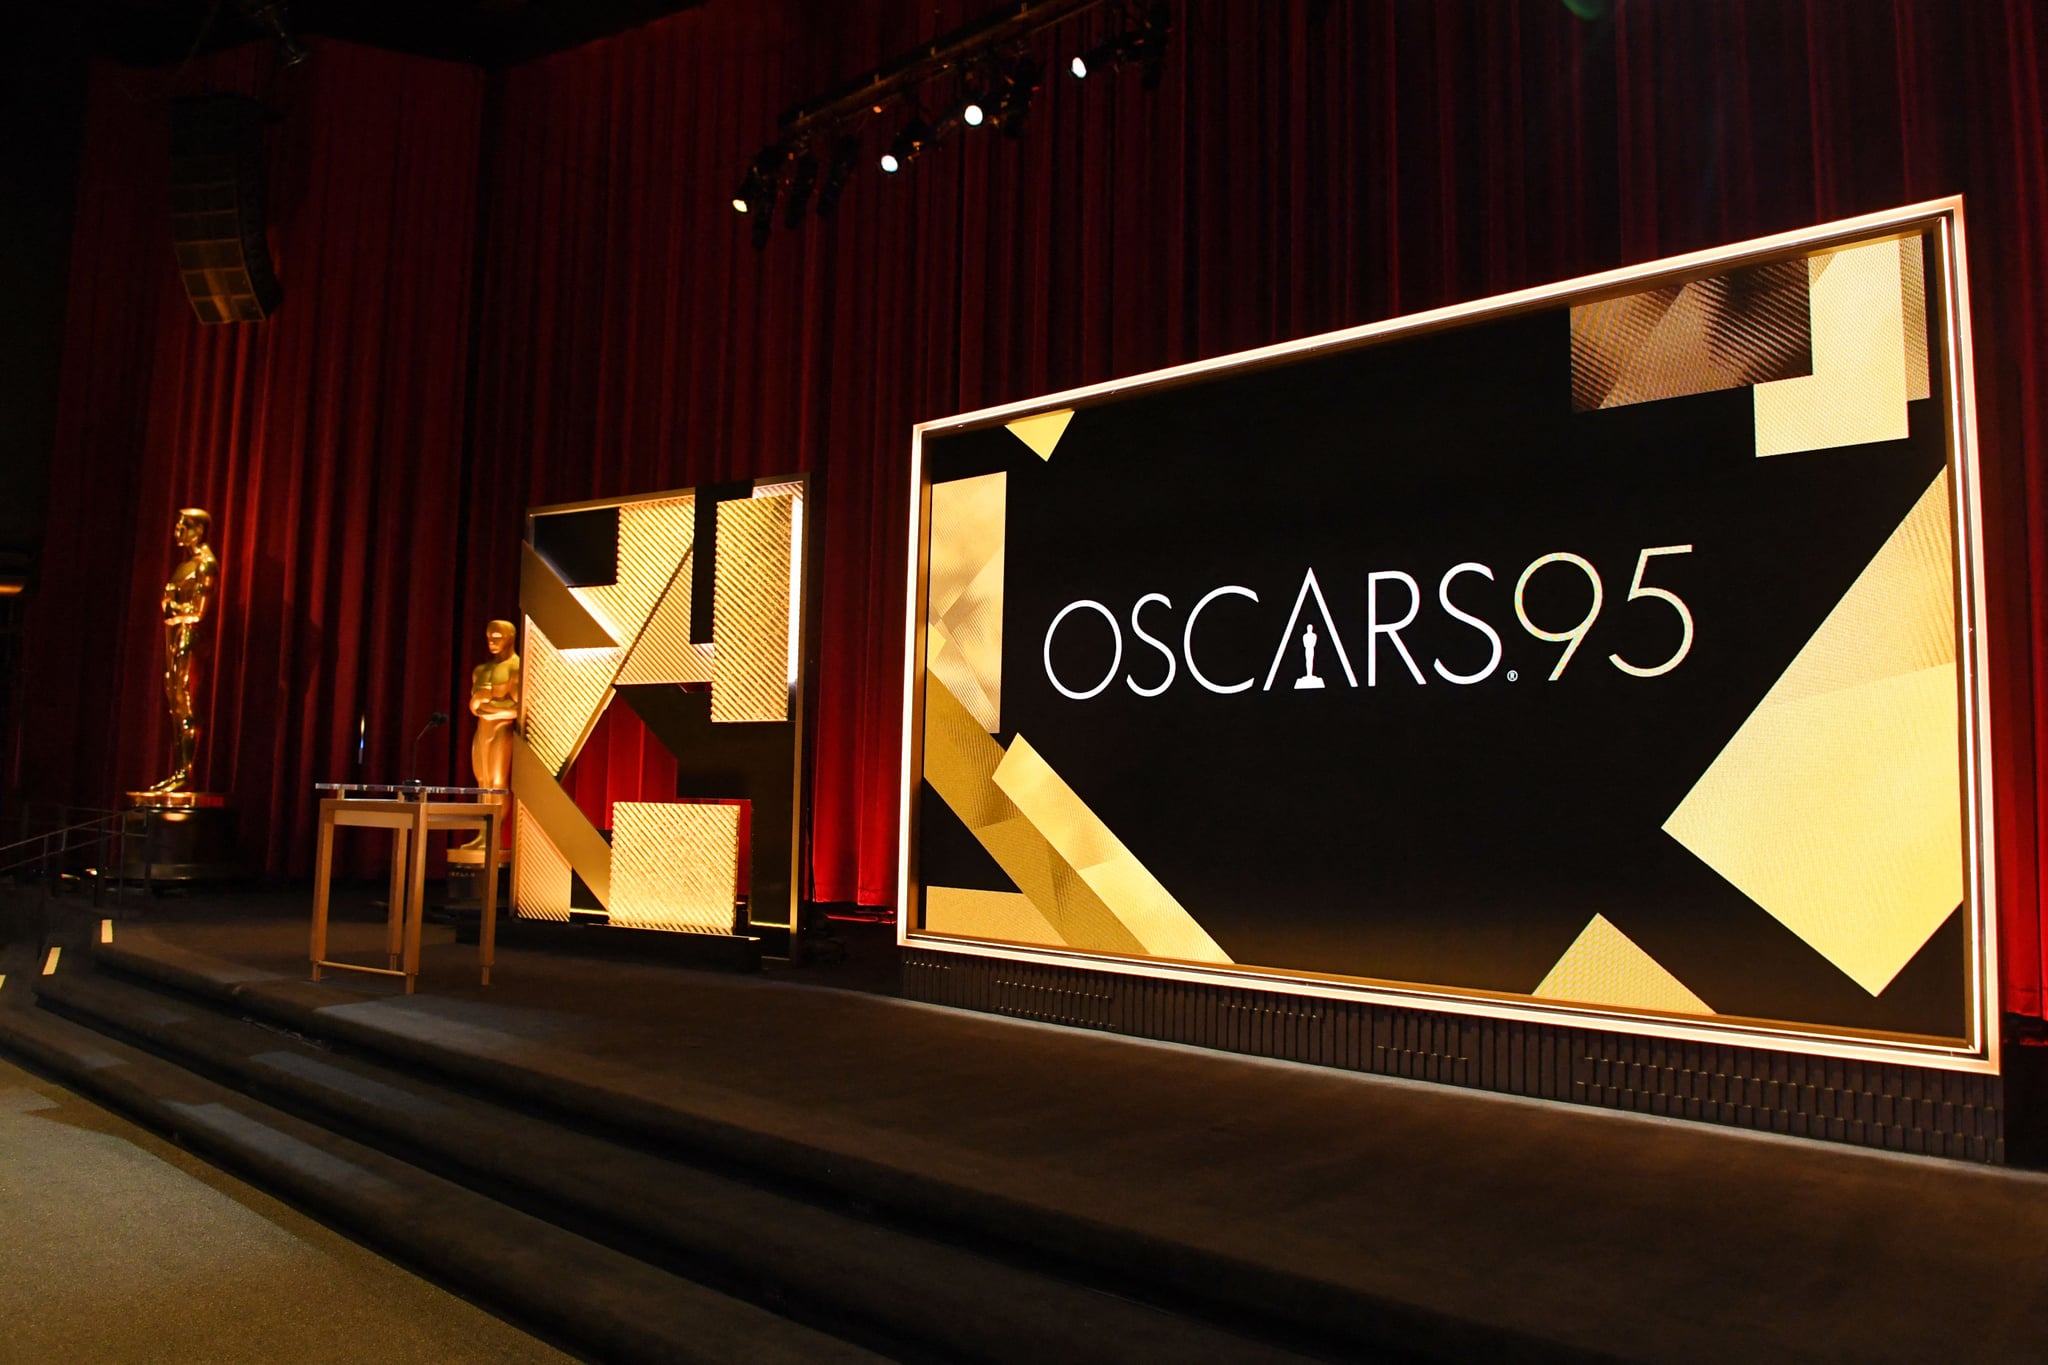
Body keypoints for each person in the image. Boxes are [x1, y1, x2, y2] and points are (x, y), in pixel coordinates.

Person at [144, 508, 218, 793]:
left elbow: (199, 612)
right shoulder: (185, 565)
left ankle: (186, 772)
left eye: (182, 525)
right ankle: (179, 771)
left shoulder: (205, 564)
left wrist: (174, 608)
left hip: (189, 637)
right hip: (174, 635)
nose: (177, 530)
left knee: (185, 702)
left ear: (197, 530)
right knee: (175, 703)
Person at [462, 618, 520, 847]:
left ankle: (492, 835)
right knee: (483, 783)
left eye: (497, 637)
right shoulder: (482, 670)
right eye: (489, 637)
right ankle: (483, 834)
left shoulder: (515, 668)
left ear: (510, 639)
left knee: (497, 782)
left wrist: (489, 709)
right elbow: (473, 705)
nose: (492, 642)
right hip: (482, 732)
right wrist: (489, 705)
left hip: (501, 731)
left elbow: (519, 708)